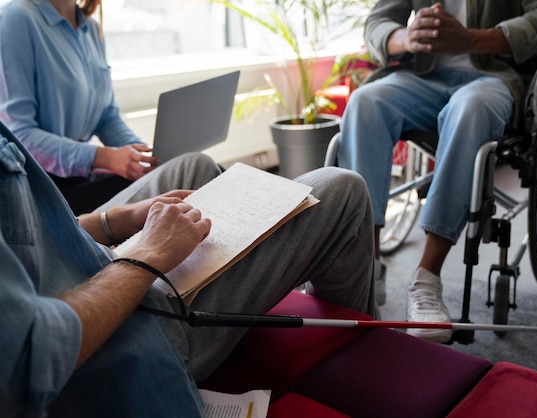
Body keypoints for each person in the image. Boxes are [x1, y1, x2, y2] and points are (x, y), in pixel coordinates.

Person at [0, 120, 378, 417]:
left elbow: (26, 232)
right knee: (342, 189)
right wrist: (145, 257)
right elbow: (25, 359)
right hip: (113, 341)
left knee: (194, 165)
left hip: (73, 268)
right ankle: (367, 363)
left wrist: (114, 221)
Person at [336, 0, 537, 343]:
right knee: (364, 103)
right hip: (421, 76)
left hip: (493, 77)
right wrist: (405, 37)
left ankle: (427, 278)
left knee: (470, 110)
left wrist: (472, 40)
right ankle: (365, 272)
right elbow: (379, 20)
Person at [0, 0, 218, 215]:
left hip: (78, 179)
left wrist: (143, 157)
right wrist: (103, 157)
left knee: (203, 172)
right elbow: (19, 136)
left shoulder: (91, 29)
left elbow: (106, 116)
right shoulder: (16, 19)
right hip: (40, 191)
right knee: (196, 169)